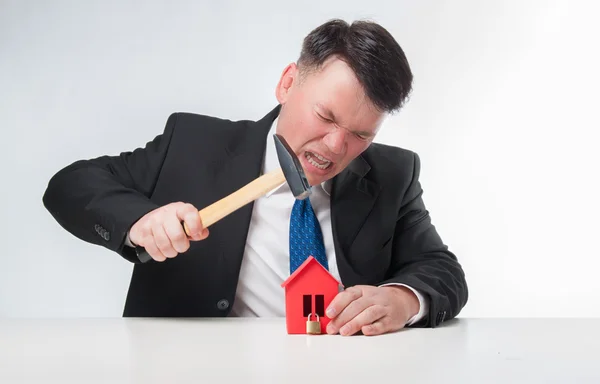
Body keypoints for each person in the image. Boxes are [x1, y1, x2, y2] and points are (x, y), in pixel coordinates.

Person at [42, 18, 468, 336]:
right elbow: (70, 184)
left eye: (360, 134)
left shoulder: (393, 173)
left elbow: (441, 269)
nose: (336, 147)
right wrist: (139, 223)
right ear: (287, 83)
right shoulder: (193, 143)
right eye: (325, 116)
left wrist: (402, 299)